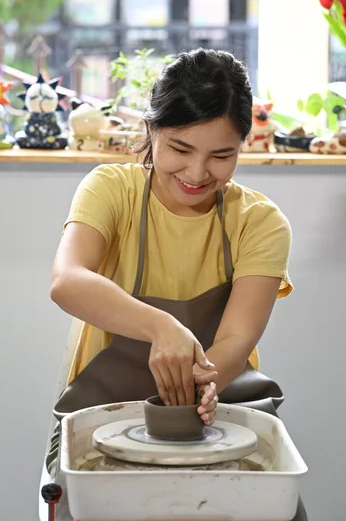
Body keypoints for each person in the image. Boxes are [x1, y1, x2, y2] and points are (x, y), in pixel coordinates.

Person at [45, 48, 307, 521]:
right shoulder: (112, 190)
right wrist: (162, 327)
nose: (197, 173)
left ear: (243, 147)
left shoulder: (261, 222)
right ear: (152, 131)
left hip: (217, 411)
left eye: (221, 155)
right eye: (181, 150)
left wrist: (203, 387)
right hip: (103, 415)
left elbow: (236, 338)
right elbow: (68, 281)